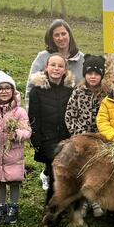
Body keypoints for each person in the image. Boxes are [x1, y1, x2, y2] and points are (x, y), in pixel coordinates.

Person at [26, 19, 84, 192]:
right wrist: (31, 119)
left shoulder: (80, 58)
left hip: (69, 110)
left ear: (69, 35)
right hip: (46, 108)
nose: (60, 38)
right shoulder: (43, 57)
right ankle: (48, 174)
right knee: (50, 148)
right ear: (51, 38)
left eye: (63, 33)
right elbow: (31, 86)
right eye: (56, 35)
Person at [64, 54, 111, 218]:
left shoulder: (107, 94)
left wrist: (105, 136)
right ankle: (84, 202)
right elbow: (70, 115)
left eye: (96, 73)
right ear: (85, 74)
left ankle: (96, 200)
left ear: (101, 76)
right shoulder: (78, 92)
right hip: (81, 140)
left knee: (97, 171)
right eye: (90, 73)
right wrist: (77, 136)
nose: (93, 76)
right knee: (82, 171)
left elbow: (110, 116)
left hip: (100, 140)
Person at [0, 71, 32, 226]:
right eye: (0, 88)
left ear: (13, 91)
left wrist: (17, 134)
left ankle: (13, 207)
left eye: (7, 88)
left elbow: (27, 131)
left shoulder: (19, 111)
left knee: (14, 181)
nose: (4, 91)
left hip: (13, 154)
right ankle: (1, 207)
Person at [28, 53, 75, 205]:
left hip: (65, 137)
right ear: (46, 67)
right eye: (53, 65)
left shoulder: (70, 90)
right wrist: (35, 139)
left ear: (65, 70)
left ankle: (66, 201)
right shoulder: (37, 90)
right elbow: (33, 116)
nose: (56, 68)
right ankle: (51, 206)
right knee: (56, 171)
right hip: (46, 138)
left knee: (65, 171)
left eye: (60, 66)